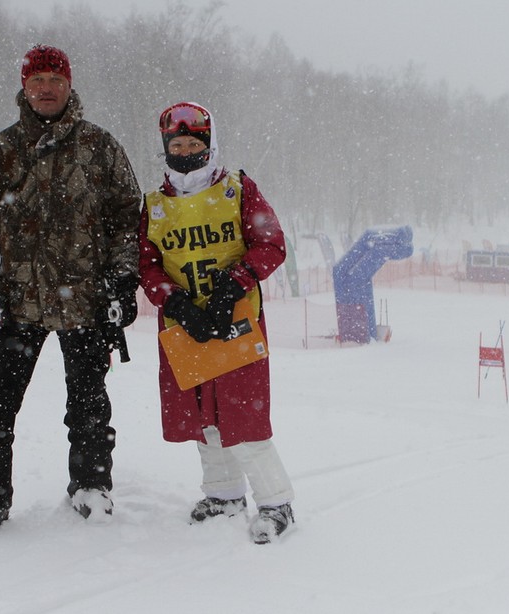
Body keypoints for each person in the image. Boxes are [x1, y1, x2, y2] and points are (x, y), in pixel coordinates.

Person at [0, 44, 141, 536]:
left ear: (69, 85)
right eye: (37, 79)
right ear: (24, 86)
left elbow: (127, 219)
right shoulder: (1, 150)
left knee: (89, 402)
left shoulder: (100, 147)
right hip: (17, 300)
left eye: (54, 79)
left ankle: (91, 486)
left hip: (86, 301)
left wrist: (122, 280)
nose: (45, 88)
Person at [137, 102, 295, 544]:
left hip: (234, 318)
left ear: (209, 146)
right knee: (202, 416)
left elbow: (271, 244)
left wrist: (233, 285)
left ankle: (275, 501)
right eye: (177, 144)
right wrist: (175, 301)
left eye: (194, 143)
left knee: (243, 417)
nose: (185, 151)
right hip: (184, 323)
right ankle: (224, 495)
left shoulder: (237, 190)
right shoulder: (155, 205)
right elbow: (146, 268)